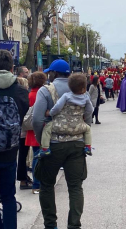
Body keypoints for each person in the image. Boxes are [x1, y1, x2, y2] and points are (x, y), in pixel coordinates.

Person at [32, 59, 90, 229]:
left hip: (53, 144)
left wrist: (41, 139)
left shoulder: (46, 90)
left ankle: (51, 225)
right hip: (77, 143)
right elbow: (88, 115)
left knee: (47, 184)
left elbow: (37, 119)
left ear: (54, 73)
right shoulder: (82, 91)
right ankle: (74, 225)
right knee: (75, 187)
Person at [0, 50, 29, 229]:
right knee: (9, 197)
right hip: (10, 150)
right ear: (11, 67)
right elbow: (24, 115)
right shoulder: (20, 90)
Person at [39, 73, 94, 158]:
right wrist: (85, 117)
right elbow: (90, 110)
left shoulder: (66, 96)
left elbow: (57, 107)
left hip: (60, 125)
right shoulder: (86, 98)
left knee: (47, 128)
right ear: (83, 88)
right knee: (88, 129)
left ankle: (45, 149)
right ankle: (88, 147)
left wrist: (50, 113)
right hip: (78, 126)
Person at [26, 72, 47, 194]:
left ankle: (36, 183)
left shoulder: (30, 94)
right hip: (41, 128)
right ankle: (38, 183)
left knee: (36, 155)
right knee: (40, 156)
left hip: (31, 129)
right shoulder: (41, 94)